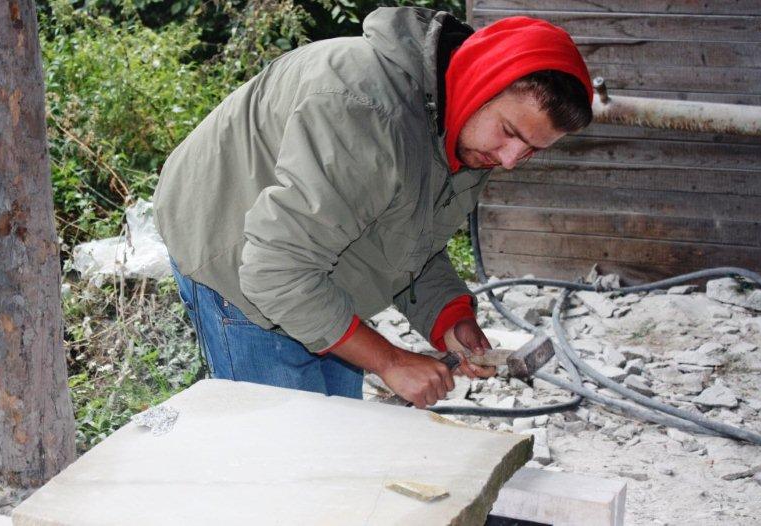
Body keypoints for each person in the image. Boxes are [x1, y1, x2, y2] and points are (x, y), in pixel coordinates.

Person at [153, 7, 592, 408]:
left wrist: (448, 315)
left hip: (305, 257)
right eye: (510, 132)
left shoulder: (468, 131)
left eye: (531, 149)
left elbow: (407, 234)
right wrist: (389, 360)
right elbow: (275, 272)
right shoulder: (365, 111)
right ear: (480, 82)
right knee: (284, 445)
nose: (511, 159)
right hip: (234, 249)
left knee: (338, 427)